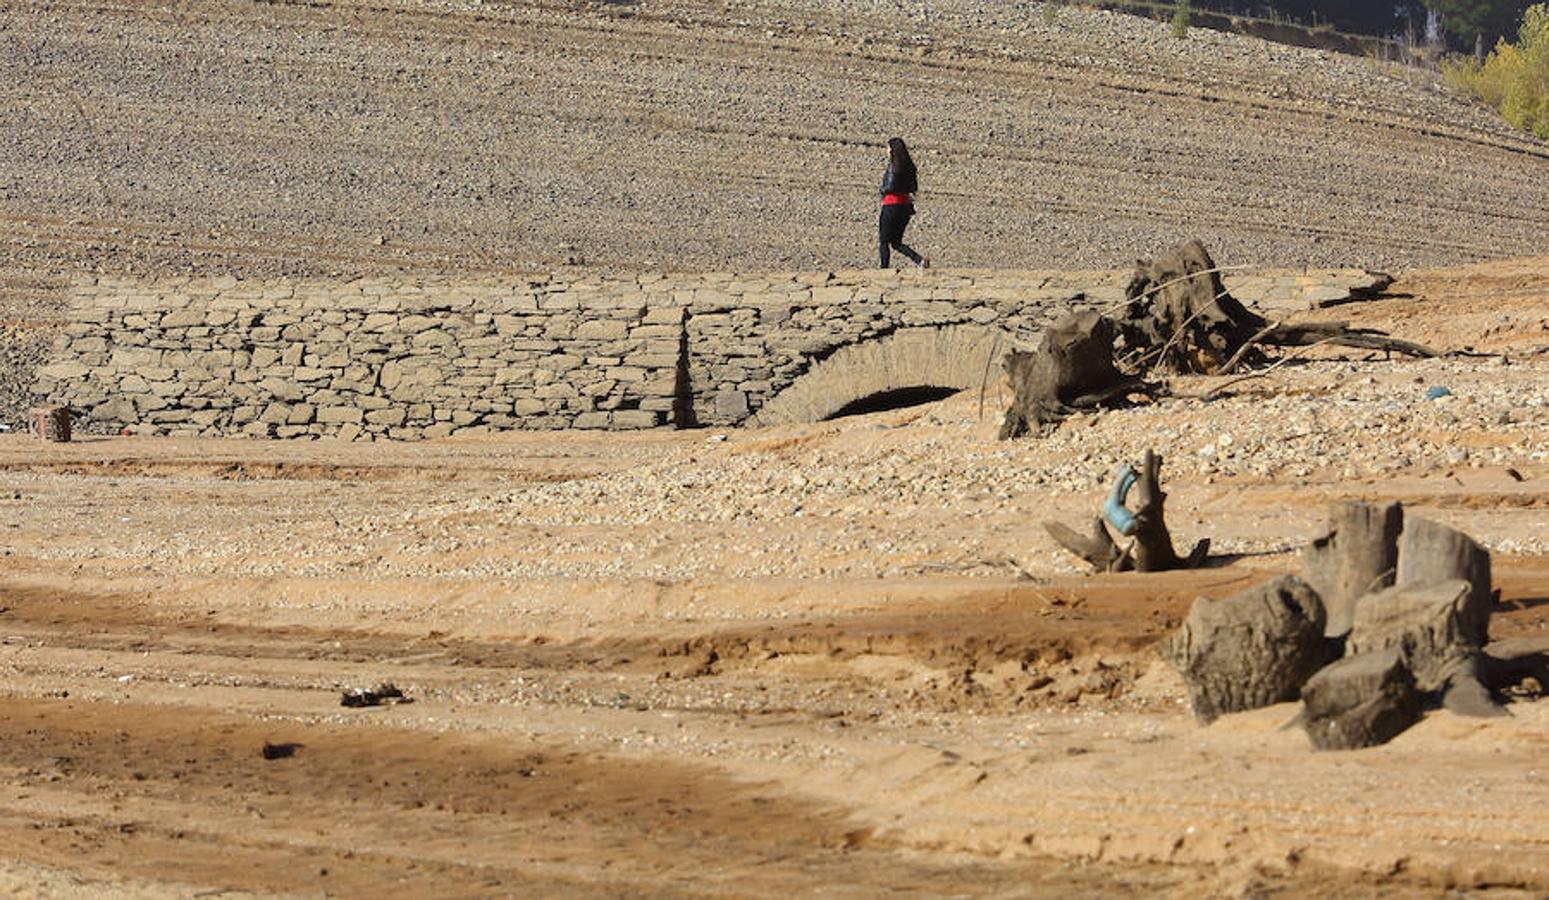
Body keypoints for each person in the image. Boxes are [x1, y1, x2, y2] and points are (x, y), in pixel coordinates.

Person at [878, 137, 930, 269]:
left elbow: (889, 186)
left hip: (890, 205)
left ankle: (884, 269)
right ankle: (919, 260)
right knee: (896, 242)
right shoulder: (909, 167)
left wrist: (882, 190)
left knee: (884, 241)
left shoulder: (893, 166)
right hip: (904, 207)